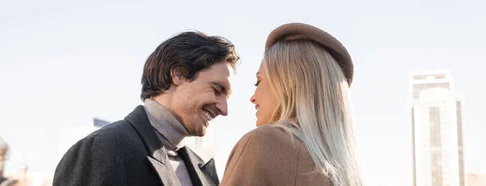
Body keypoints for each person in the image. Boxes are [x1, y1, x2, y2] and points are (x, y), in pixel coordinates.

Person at [53, 31, 240, 186]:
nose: (224, 110)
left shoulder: (203, 170)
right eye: (217, 89)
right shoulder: (103, 148)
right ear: (179, 74)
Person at [220, 22, 364, 186]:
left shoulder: (264, 142)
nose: (253, 97)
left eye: (258, 82)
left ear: (288, 84)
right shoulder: (344, 174)